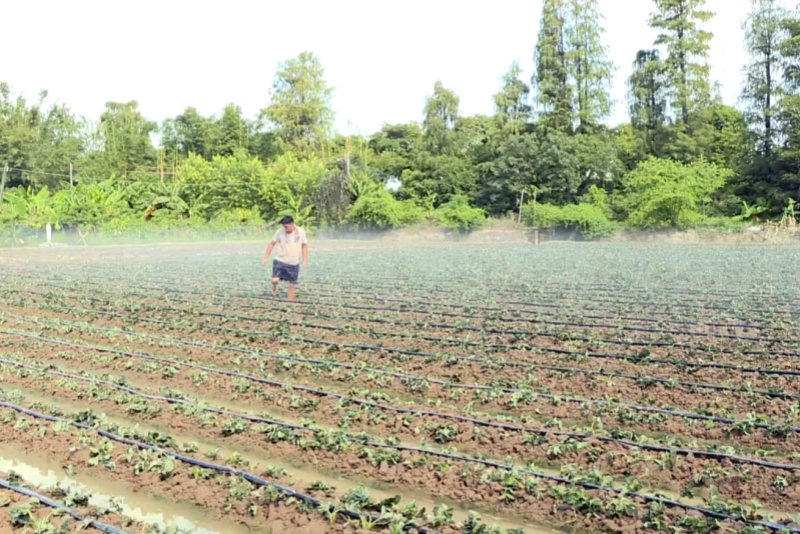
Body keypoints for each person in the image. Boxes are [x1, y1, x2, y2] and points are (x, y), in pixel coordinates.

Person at [261, 215, 308, 301]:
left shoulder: (301, 232)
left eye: (286, 226)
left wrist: (305, 260)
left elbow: (304, 246)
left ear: (292, 224)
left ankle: (290, 302)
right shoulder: (279, 232)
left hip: (293, 262)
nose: (285, 228)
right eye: (283, 226)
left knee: (292, 283)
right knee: (275, 280)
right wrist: (266, 258)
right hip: (280, 260)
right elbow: (272, 243)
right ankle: (275, 287)